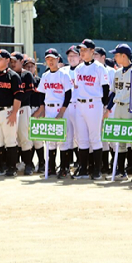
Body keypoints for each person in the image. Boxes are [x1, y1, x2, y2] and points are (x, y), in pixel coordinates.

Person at [72, 39, 110, 180]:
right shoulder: (78, 69)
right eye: (80, 50)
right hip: (80, 104)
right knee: (81, 138)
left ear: (92, 51)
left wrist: (104, 106)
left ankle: (97, 169)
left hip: (94, 104)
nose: (82, 52)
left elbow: (106, 88)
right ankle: (83, 168)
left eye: (84, 50)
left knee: (95, 137)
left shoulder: (99, 68)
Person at [33, 48, 73, 178]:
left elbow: (68, 95)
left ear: (58, 59)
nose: (50, 61)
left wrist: (62, 112)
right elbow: (41, 94)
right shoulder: (45, 76)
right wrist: (42, 109)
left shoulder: (64, 74)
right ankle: (51, 168)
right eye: (48, 59)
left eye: (52, 58)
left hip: (61, 108)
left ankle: (64, 168)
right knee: (50, 140)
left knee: (63, 141)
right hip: (49, 109)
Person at [104, 44, 132, 180]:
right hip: (118, 107)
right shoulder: (117, 72)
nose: (114, 57)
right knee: (119, 140)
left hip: (130, 108)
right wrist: (108, 109)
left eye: (116, 54)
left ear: (124, 56)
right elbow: (113, 93)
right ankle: (121, 171)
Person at [0, 49, 24, 177]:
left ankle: (12, 167)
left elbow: (18, 96)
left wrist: (14, 113)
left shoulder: (13, 76)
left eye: (0, 59)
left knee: (10, 140)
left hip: (8, 111)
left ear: (7, 60)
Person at [10, 51, 36, 175]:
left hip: (23, 108)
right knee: (13, 138)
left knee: (24, 137)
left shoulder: (26, 75)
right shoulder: (8, 75)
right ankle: (13, 164)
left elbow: (28, 93)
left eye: (15, 61)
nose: (13, 63)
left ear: (21, 62)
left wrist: (16, 102)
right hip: (10, 109)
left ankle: (28, 164)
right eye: (11, 61)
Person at [60, 45, 81, 174]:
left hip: (79, 106)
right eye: (69, 56)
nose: (71, 58)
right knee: (67, 137)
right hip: (67, 106)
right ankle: (64, 166)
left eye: (74, 55)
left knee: (80, 137)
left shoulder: (83, 70)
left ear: (80, 57)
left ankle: (81, 164)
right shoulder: (63, 71)